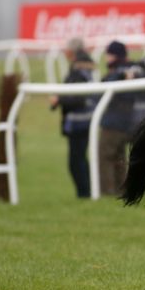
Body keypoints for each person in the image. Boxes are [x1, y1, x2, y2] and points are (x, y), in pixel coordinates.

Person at [49, 38, 97, 198]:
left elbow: (78, 98)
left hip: (79, 122)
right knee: (80, 160)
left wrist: (59, 100)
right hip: (85, 121)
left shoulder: (78, 71)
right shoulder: (85, 68)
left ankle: (85, 194)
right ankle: (88, 191)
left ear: (72, 51)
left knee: (76, 162)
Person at [99, 40, 140, 196]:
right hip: (131, 122)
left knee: (106, 159)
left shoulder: (116, 73)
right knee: (120, 160)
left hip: (113, 123)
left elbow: (104, 85)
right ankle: (123, 191)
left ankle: (108, 192)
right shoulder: (134, 69)